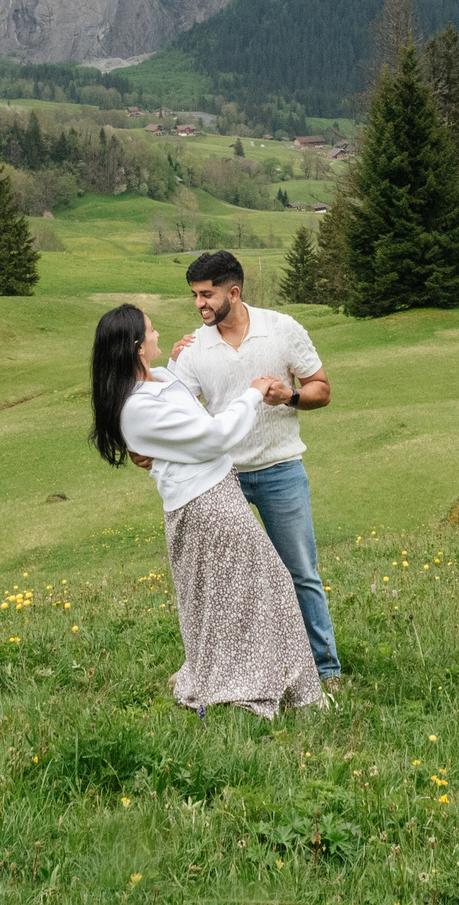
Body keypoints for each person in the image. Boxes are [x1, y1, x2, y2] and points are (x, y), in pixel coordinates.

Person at [91, 303, 324, 717]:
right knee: (262, 587)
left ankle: (259, 678)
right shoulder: (137, 407)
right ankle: (265, 686)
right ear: (136, 346)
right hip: (205, 505)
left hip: (218, 492)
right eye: (151, 330)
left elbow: (174, 393)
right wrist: (253, 393)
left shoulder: (159, 377)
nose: (160, 332)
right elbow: (215, 436)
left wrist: (175, 360)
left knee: (230, 595)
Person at [165, 249, 342, 683]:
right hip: (222, 480)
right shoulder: (192, 348)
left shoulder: (282, 329)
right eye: (194, 296)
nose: (199, 304)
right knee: (231, 581)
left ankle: (325, 668)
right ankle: (242, 670)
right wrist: (169, 365)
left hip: (281, 470)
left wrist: (291, 396)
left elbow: (321, 388)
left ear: (234, 292)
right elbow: (174, 410)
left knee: (300, 572)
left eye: (207, 294)